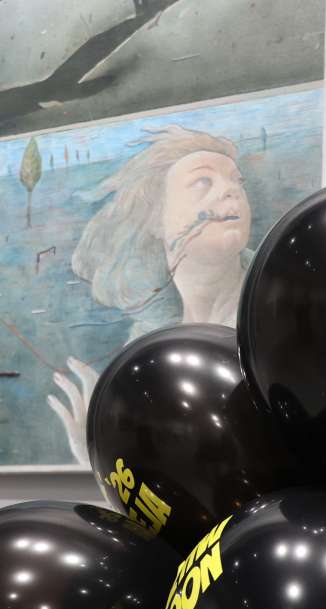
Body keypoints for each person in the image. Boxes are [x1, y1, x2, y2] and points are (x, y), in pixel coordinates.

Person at [48, 125, 253, 465]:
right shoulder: (146, 347)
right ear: (156, 218)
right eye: (203, 182)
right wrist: (101, 456)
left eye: (237, 181)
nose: (231, 190)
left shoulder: (275, 312)